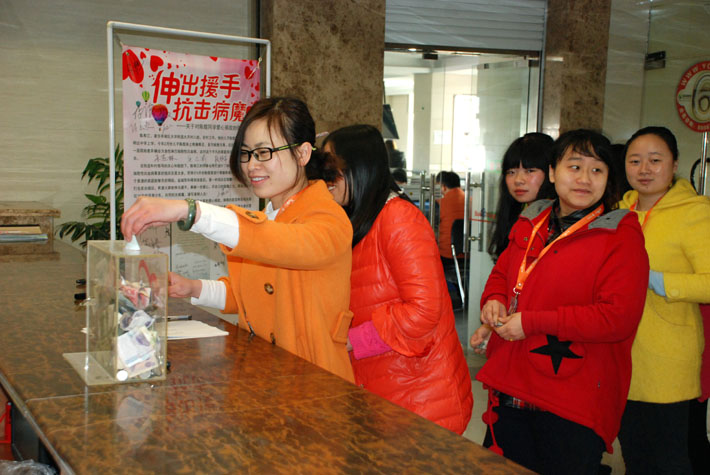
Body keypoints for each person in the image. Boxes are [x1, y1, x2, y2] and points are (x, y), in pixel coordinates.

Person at [121, 97, 355, 382]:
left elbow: (283, 243)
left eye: (264, 152)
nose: (252, 165)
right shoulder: (269, 215)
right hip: (263, 374)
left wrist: (191, 211)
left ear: (303, 153)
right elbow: (249, 294)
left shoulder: (329, 218)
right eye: (246, 153)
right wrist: (193, 287)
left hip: (313, 382)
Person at [471, 129, 649, 473]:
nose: (584, 179)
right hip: (512, 382)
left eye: (597, 170)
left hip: (572, 396)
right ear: (553, 172)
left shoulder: (620, 235)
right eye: (575, 167)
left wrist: (531, 322)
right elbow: (502, 274)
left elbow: (617, 318)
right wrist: (493, 300)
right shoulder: (532, 220)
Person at [323, 124, 473, 434]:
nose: (325, 180)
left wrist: (352, 340)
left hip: (422, 398)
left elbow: (423, 312)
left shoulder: (398, 218)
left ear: (359, 168)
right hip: (386, 391)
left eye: (331, 169)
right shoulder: (361, 218)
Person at [617, 126, 710, 474]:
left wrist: (658, 281)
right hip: (619, 352)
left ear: (675, 164)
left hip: (668, 359)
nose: (644, 169)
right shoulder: (617, 212)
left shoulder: (695, 212)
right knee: (634, 454)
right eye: (635, 161)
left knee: (668, 459)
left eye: (655, 160)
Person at [487, 132, 555, 260]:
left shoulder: (557, 223)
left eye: (530, 171)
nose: (518, 180)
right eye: (511, 172)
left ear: (552, 172)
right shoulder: (520, 214)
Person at [437, 171, 465, 267]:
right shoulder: (471, 201)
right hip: (469, 255)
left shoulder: (439, 204)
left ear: (443, 187)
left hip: (447, 255)